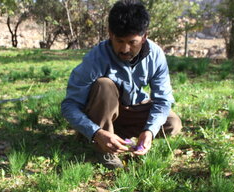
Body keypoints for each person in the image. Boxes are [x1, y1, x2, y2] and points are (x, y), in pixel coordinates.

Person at [61, 0, 182, 169]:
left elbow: (163, 101)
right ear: (110, 34)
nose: (125, 49)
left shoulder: (156, 55)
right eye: (119, 41)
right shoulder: (95, 58)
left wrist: (149, 131)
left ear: (144, 36)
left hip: (134, 107)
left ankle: (114, 135)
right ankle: (104, 147)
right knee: (104, 85)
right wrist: (95, 132)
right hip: (103, 110)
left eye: (132, 42)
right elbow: (69, 105)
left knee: (172, 123)